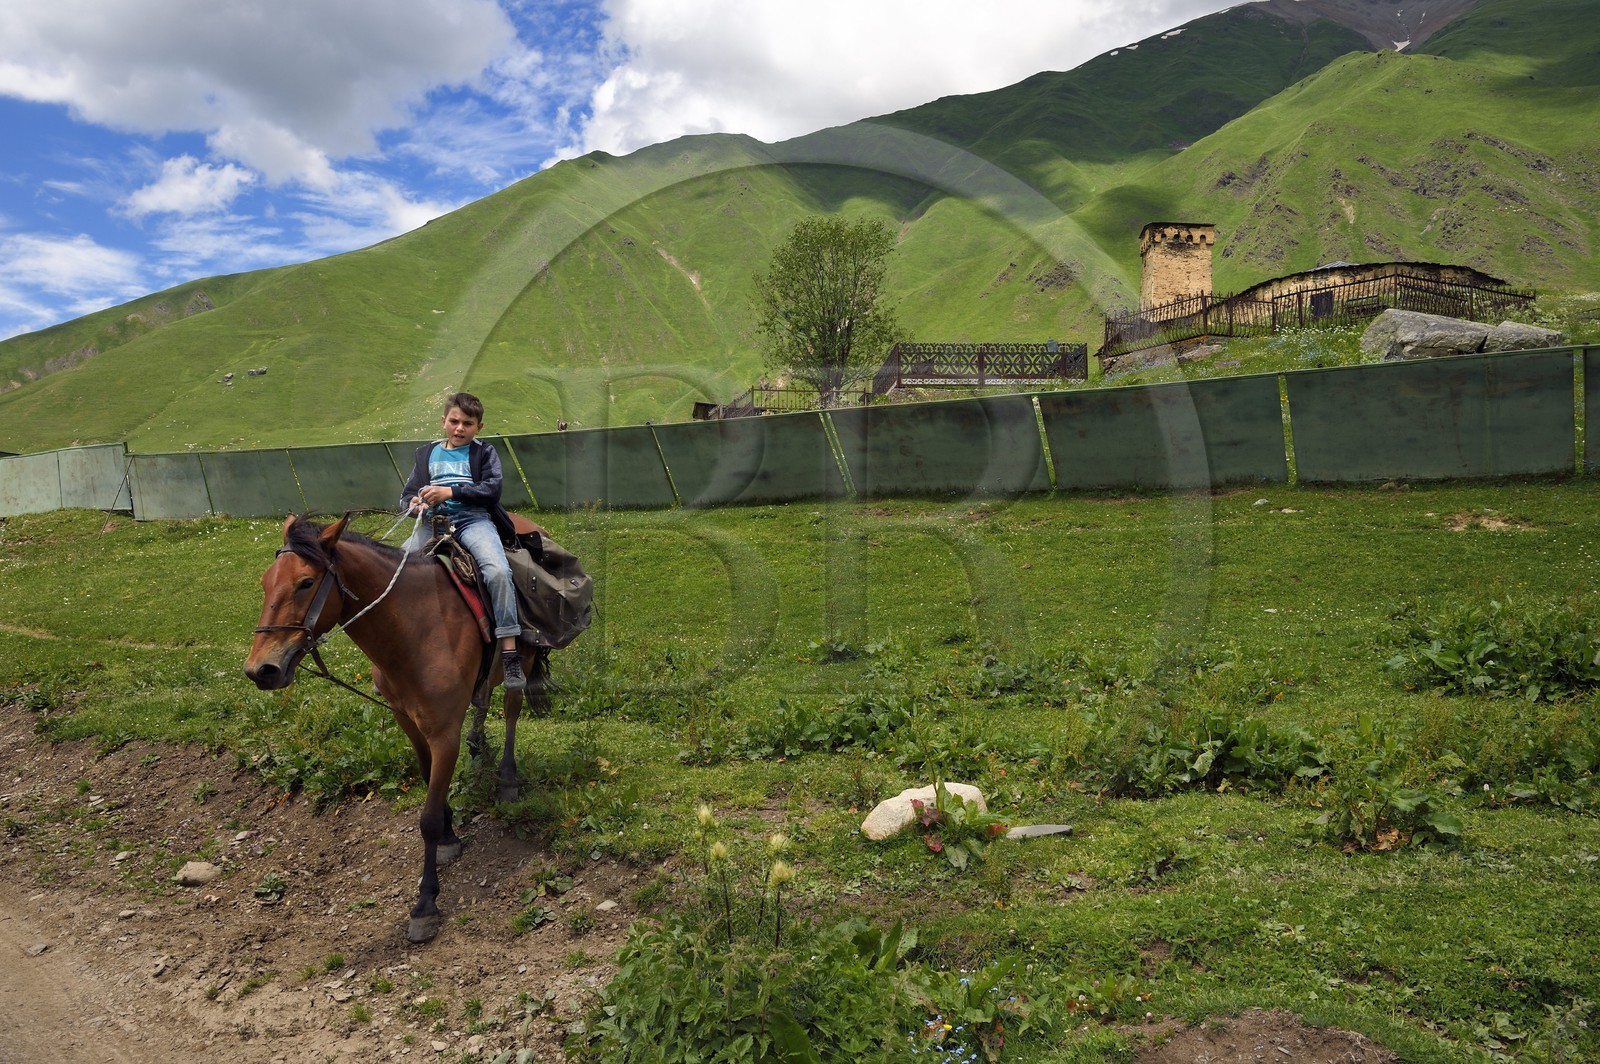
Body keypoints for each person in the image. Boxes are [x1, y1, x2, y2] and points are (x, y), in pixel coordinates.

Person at [400, 392, 526, 691]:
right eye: (454, 421)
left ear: (479, 427)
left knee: (497, 570)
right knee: (397, 569)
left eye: (467, 423)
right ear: (443, 421)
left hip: (473, 520)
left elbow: (491, 490)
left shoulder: (484, 453)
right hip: (432, 524)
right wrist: (415, 504)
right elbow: (407, 494)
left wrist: (450, 493)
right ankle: (399, 647)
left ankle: (509, 650)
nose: (459, 428)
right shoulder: (425, 454)